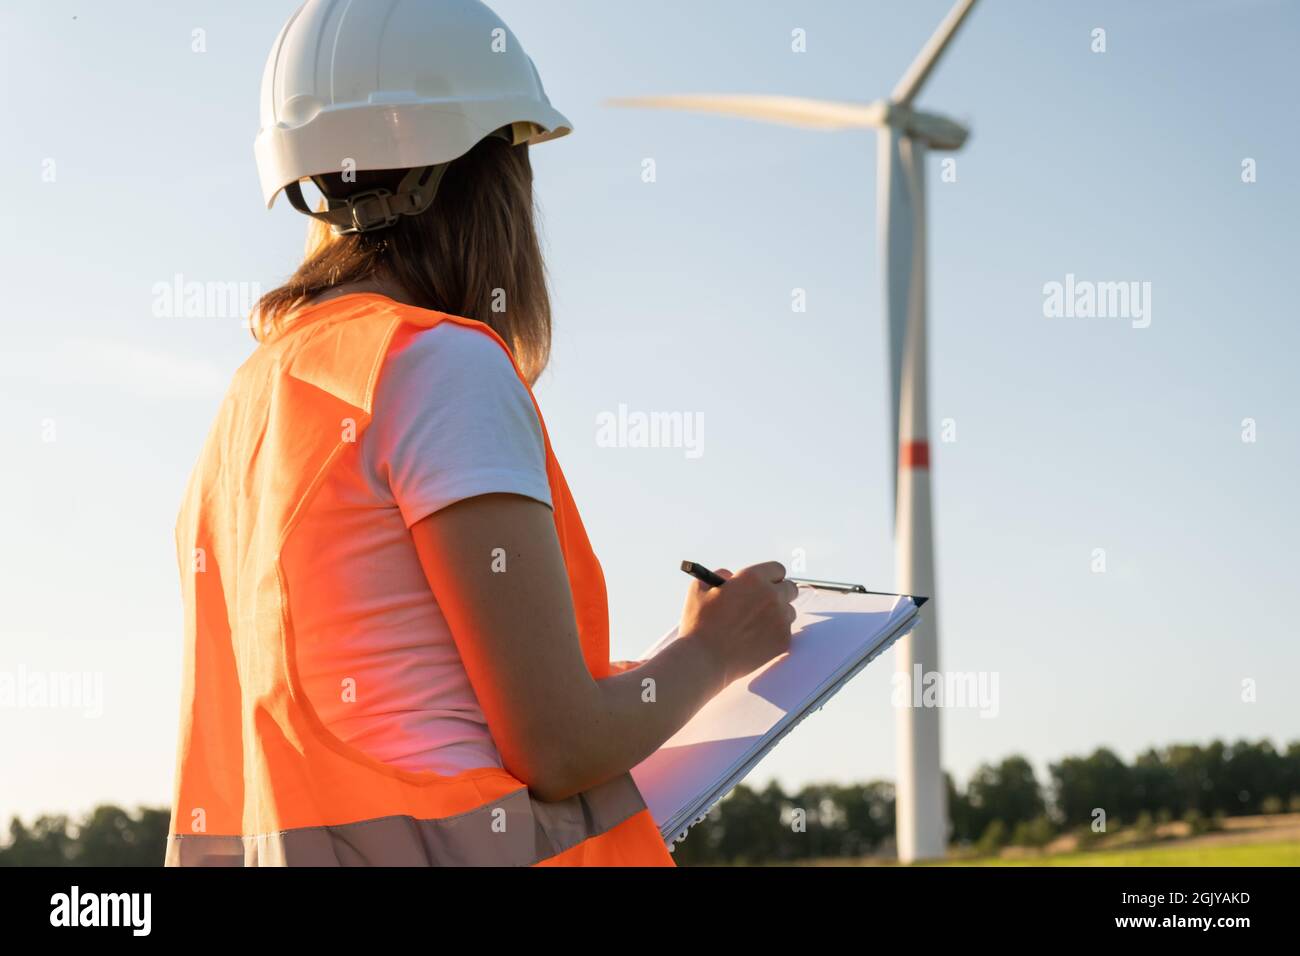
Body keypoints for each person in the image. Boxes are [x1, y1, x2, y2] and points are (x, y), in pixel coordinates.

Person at [165, 0, 797, 867]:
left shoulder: (253, 404)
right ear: (480, 175)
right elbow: (558, 745)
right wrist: (714, 650)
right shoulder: (436, 366)